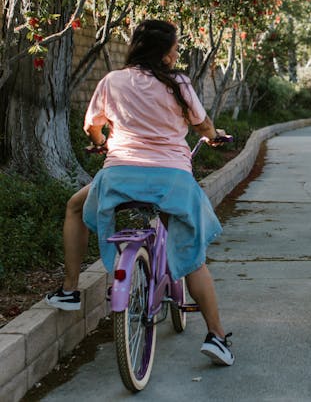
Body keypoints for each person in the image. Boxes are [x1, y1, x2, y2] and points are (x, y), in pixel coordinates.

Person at [45, 19, 234, 366]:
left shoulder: (112, 81)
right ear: (163, 54)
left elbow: (92, 126)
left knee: (75, 208)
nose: (177, 53)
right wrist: (211, 135)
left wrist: (102, 145)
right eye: (175, 48)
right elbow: (203, 126)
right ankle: (217, 337)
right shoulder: (178, 83)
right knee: (192, 256)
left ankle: (70, 289)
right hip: (171, 180)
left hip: (120, 176)